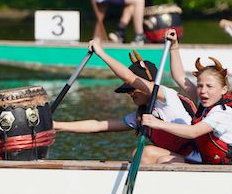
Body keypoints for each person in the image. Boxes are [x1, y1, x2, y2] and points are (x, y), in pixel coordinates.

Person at [52, 38, 196, 163]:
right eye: (128, 90)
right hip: (179, 160)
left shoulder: (167, 97)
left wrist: (101, 53)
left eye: (132, 89)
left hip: (199, 159)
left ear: (149, 85)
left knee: (146, 153)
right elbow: (99, 125)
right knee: (139, 154)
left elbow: (129, 78)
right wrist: (56, 125)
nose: (130, 93)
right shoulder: (142, 115)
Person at [141, 35, 232, 164]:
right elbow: (179, 76)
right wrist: (174, 46)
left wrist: (157, 123)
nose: (203, 90)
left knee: (165, 160)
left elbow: (193, 132)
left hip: (225, 167)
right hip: (207, 160)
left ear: (224, 90)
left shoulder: (223, 113)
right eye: (200, 85)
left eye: (209, 86)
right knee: (146, 153)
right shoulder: (207, 101)